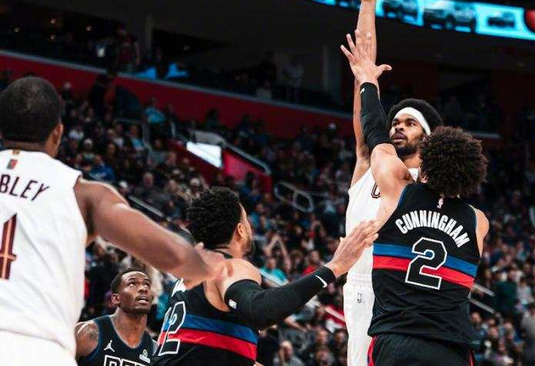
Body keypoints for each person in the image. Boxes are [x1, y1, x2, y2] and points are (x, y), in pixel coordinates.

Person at [0, 77, 229, 366]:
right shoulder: (84, 194)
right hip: (37, 350)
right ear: (58, 132)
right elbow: (175, 256)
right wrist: (204, 266)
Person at [341, 31, 489, 365]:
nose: (398, 128)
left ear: (429, 150)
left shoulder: (398, 187)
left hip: (397, 331)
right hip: (450, 344)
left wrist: (367, 81)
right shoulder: (478, 221)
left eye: (410, 123)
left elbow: (373, 132)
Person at [335, 0, 444, 366]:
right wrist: (367, 0)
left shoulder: (429, 185)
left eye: (410, 123)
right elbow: (364, 68)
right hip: (360, 286)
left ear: (428, 140)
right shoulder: (369, 162)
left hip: (403, 292)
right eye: (395, 121)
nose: (398, 126)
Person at [153, 187, 377, 365]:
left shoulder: (189, 277)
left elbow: (206, 347)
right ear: (240, 230)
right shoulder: (230, 266)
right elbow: (259, 310)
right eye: (247, 221)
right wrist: (335, 266)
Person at [75, 268, 156, 365]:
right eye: (132, 284)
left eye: (147, 284)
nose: (143, 288)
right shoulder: (86, 333)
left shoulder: (154, 350)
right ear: (116, 299)